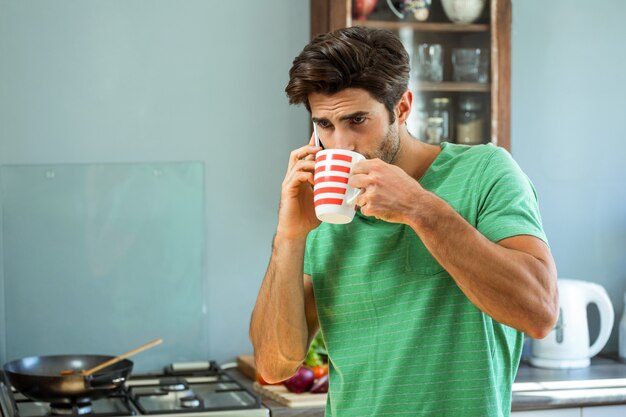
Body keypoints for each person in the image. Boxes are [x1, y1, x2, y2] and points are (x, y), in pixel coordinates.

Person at [249, 26, 558, 417]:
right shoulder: (321, 211)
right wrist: (288, 236)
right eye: (325, 125)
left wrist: (419, 208)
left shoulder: (487, 172)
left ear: (402, 107)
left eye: (357, 119)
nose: (340, 144)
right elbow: (274, 366)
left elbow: (539, 313)